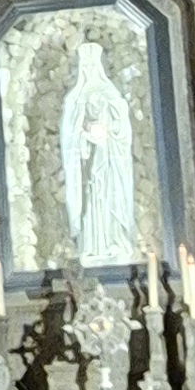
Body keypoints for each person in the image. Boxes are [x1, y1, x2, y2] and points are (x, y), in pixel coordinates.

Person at [57, 34, 138, 267]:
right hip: (89, 163)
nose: (90, 68)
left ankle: (114, 240)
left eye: (94, 64)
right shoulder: (76, 97)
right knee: (91, 202)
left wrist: (107, 130)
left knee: (110, 197)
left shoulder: (110, 93)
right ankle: (92, 245)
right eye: (87, 64)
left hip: (110, 161)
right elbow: (70, 134)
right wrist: (84, 134)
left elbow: (123, 127)